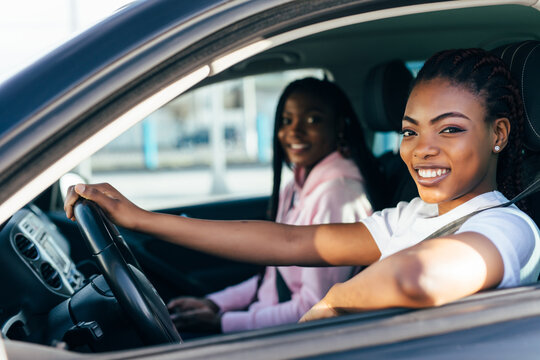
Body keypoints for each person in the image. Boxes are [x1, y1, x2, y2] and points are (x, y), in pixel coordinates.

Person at [65, 48, 540, 325]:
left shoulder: (511, 230)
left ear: (497, 134)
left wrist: (326, 309)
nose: (422, 150)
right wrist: (143, 219)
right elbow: (290, 241)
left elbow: (418, 276)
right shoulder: (412, 217)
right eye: (411, 131)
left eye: (450, 129)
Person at [165, 78, 381, 333]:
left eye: (313, 120)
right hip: (271, 324)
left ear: (339, 128)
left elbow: (316, 308)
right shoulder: (297, 187)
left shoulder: (338, 195)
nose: (294, 131)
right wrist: (215, 304)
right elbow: (272, 278)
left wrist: (225, 323)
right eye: (287, 120)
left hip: (298, 337)